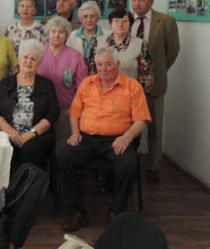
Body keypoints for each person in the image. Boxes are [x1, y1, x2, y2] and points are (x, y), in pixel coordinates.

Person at [59, 47, 151, 232]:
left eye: (108, 64)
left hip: (117, 139)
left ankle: (116, 212)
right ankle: (78, 211)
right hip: (88, 138)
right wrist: (75, 132)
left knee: (129, 165)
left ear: (117, 64)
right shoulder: (87, 83)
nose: (103, 69)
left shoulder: (132, 86)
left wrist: (126, 137)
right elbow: (75, 112)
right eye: (99, 65)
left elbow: (141, 119)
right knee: (64, 158)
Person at [131, 0, 180, 183]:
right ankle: (128, 162)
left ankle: (153, 165)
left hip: (154, 83)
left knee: (155, 126)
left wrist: (155, 71)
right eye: (134, 0)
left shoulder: (166, 21)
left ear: (151, 2)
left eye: (142, 0)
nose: (137, 4)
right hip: (130, 83)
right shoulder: (126, 20)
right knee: (128, 124)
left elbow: (173, 50)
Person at [0, 39, 59, 173]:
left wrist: (32, 133)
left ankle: (27, 184)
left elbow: (53, 114)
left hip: (36, 135)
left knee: (30, 149)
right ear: (19, 59)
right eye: (25, 57)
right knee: (5, 148)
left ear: (39, 63)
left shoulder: (47, 85)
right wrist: (10, 131)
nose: (28, 61)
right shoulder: (5, 83)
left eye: (33, 59)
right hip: (8, 133)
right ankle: (5, 185)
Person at [37, 16, 87, 153]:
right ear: (48, 33)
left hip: (66, 110)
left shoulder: (76, 56)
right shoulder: (39, 53)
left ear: (66, 35)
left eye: (61, 32)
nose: (56, 35)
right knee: (41, 146)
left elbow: (82, 87)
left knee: (63, 146)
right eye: (53, 31)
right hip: (41, 109)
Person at [93, 8, 153, 94]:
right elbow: (92, 71)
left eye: (125, 21)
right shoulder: (98, 42)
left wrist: (139, 95)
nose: (120, 25)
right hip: (102, 94)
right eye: (116, 21)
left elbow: (146, 76)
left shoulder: (140, 44)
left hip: (129, 94)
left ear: (130, 24)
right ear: (111, 23)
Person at [66, 0, 110, 74]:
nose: (89, 20)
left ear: (97, 18)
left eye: (92, 16)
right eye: (85, 17)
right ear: (80, 19)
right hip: (79, 77)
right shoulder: (72, 36)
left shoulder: (108, 35)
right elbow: (68, 60)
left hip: (102, 77)